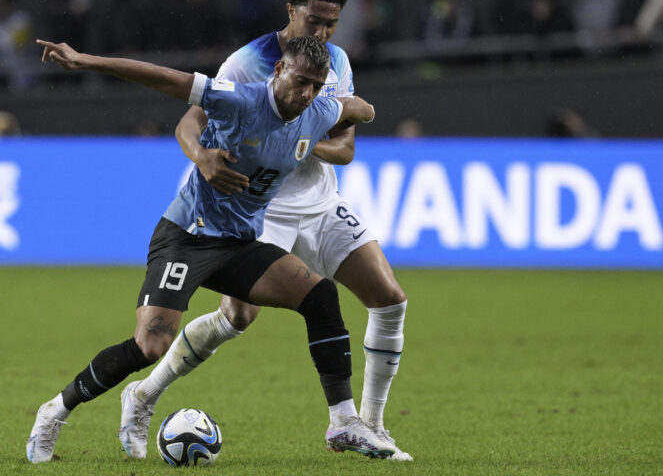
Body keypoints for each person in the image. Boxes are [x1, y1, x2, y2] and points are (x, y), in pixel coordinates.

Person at [26, 35, 395, 463]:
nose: (306, 94)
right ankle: (55, 411)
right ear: (278, 71)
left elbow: (355, 108)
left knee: (319, 295)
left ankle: (345, 421)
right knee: (149, 346)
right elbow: (163, 78)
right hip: (187, 237)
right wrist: (85, 60)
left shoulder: (317, 110)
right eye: (299, 82)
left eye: (315, 85)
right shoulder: (237, 100)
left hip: (239, 244)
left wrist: (366, 110)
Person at [119, 0, 411, 462]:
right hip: (261, 206)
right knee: (238, 316)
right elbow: (192, 119)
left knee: (390, 299)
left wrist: (295, 139)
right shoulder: (247, 63)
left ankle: (369, 425)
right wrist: (203, 157)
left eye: (331, 25)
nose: (321, 33)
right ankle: (144, 394)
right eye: (314, 21)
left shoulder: (334, 62)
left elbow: (345, 146)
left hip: (319, 202)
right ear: (291, 12)